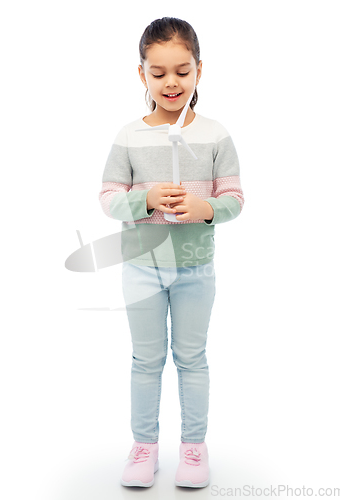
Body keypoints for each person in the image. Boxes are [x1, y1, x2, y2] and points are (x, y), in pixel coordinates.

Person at [99, 17, 244, 488]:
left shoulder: (217, 135)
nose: (171, 82)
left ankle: (194, 449)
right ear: (142, 75)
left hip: (196, 268)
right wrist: (143, 201)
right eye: (158, 73)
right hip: (141, 267)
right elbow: (108, 198)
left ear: (199, 70)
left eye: (182, 71)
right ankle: (144, 448)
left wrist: (206, 208)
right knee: (145, 360)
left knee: (192, 358)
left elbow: (234, 200)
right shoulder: (128, 136)